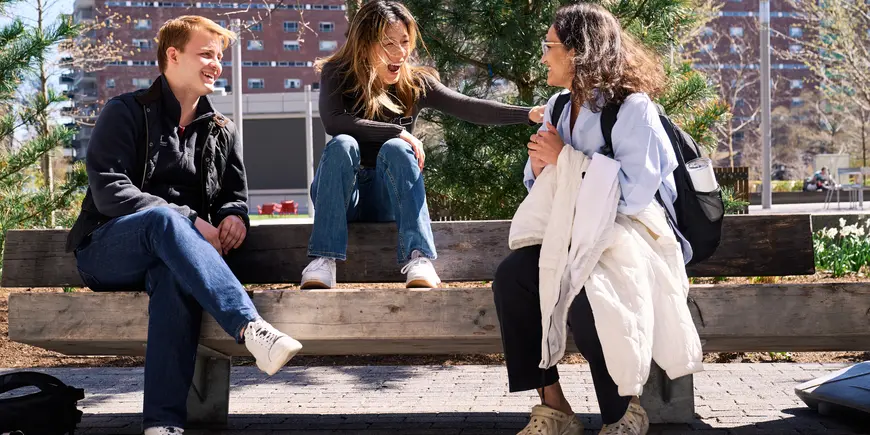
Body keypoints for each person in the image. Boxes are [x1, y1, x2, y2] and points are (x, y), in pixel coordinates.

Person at [66, 16, 302, 435]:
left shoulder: (220, 130)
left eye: (219, 57)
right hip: (108, 248)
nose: (216, 65)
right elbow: (110, 192)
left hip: (177, 256)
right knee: (160, 219)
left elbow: (233, 194)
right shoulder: (125, 112)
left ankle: (163, 424)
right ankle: (250, 328)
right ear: (172, 56)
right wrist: (192, 220)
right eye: (206, 54)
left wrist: (232, 218)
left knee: (174, 279)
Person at [493, 4, 703, 435]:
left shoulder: (632, 109)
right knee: (512, 278)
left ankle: (622, 412)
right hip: (569, 233)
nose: (543, 54)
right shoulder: (557, 106)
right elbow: (540, 186)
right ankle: (554, 406)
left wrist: (567, 160)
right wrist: (541, 167)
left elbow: (634, 194)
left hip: (628, 236)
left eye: (549, 46)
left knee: (595, 294)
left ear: (577, 52)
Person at [301, 0, 546, 289]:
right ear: (364, 44)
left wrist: (528, 114)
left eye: (404, 42)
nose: (399, 53)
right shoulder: (337, 74)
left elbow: (468, 107)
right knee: (342, 143)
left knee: (396, 149)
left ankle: (419, 258)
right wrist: (396, 130)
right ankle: (322, 261)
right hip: (343, 197)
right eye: (387, 43)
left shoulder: (415, 83)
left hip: (387, 197)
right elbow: (334, 122)